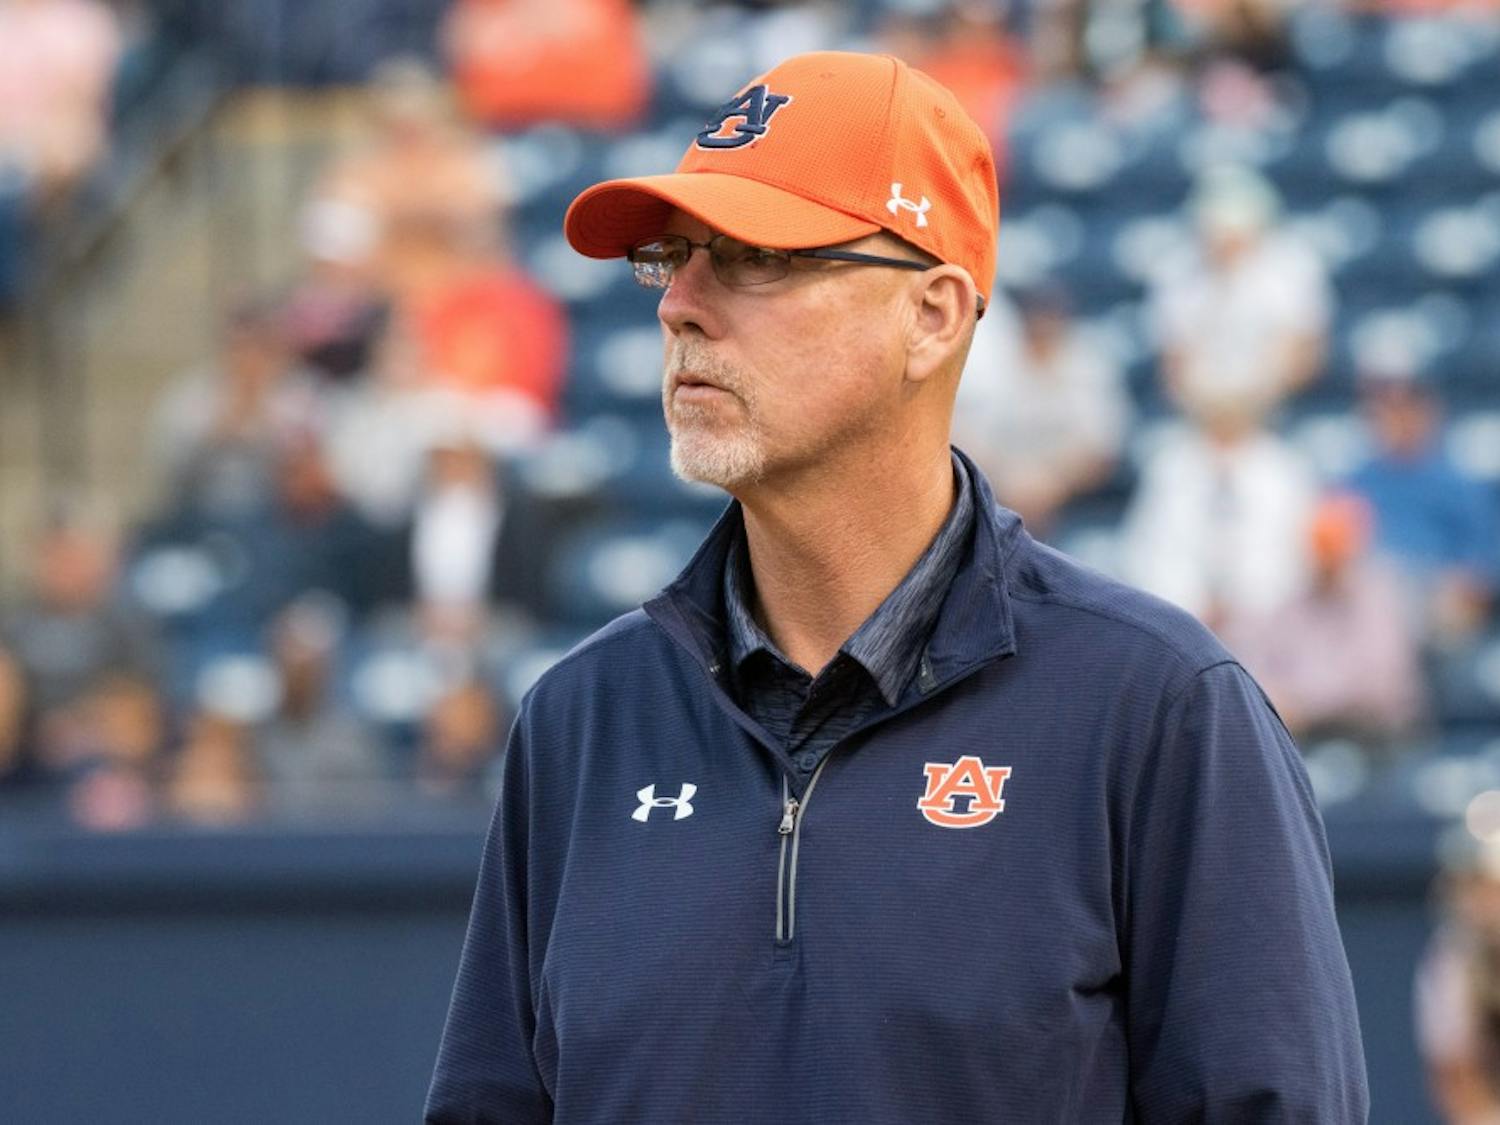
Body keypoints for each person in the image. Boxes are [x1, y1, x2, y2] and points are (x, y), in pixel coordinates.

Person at [426, 51, 1367, 1123]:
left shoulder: (1159, 709)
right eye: (672, 257)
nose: (679, 304)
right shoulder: (580, 721)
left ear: (932, 315)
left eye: (752, 257)